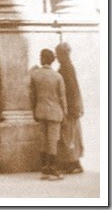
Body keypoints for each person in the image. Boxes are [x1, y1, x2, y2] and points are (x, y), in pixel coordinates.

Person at [29, 49, 68, 180]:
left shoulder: (35, 75)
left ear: (42, 59)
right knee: (53, 141)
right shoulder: (57, 76)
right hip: (55, 112)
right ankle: (53, 170)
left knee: (43, 141)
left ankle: (44, 170)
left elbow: (32, 96)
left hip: (40, 111)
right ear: (52, 60)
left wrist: (34, 109)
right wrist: (65, 113)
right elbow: (62, 97)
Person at [55, 42, 84, 174]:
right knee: (71, 136)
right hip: (72, 108)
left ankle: (73, 163)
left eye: (59, 54)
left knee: (69, 137)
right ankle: (72, 162)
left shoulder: (66, 69)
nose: (57, 56)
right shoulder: (67, 67)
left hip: (69, 109)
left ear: (63, 54)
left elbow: (71, 91)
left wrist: (69, 109)